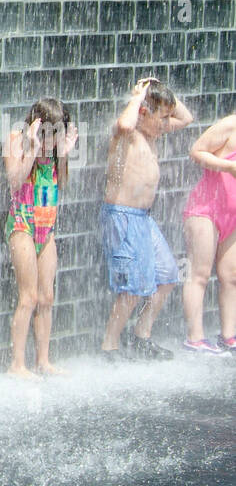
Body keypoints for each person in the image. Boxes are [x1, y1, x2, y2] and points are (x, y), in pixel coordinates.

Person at [99, 77, 193, 361]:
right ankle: (109, 346)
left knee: (167, 275)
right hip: (123, 217)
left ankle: (141, 335)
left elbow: (186, 118)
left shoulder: (153, 133)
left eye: (167, 118)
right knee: (133, 287)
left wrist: (161, 90)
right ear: (143, 112)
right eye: (162, 117)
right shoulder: (126, 134)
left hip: (144, 220)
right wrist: (139, 97)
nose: (166, 124)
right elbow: (126, 123)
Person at [4, 98, 78, 377]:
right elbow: (14, 181)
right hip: (22, 224)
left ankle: (43, 361)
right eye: (46, 133)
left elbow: (59, 185)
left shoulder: (58, 150)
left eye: (57, 133)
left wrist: (65, 153)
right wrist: (33, 149)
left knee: (47, 296)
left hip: (47, 230)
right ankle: (17, 365)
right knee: (29, 297)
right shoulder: (18, 140)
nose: (51, 140)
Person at [181, 112, 236, 356]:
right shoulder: (230, 125)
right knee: (199, 274)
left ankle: (228, 336)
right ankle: (195, 339)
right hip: (207, 209)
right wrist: (229, 166)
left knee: (231, 276)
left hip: (232, 214)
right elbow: (196, 151)